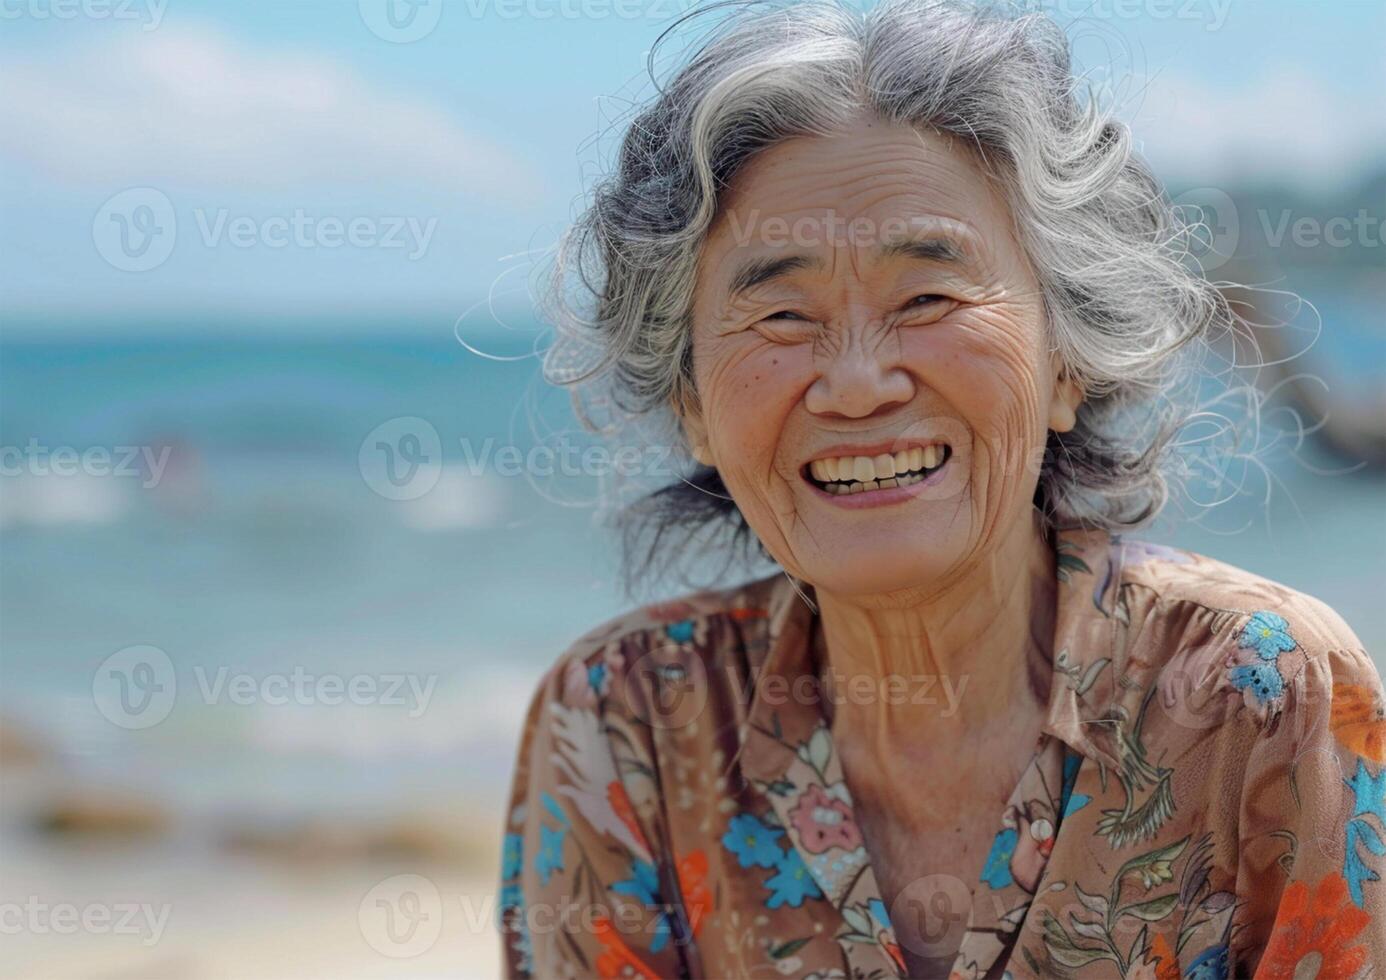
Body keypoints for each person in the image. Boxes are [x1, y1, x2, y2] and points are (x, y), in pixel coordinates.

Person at [498, 1, 1386, 975]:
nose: (857, 384)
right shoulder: (625, 721)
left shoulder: (1260, 695)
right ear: (693, 403)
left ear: (1065, 361)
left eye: (926, 297)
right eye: (782, 315)